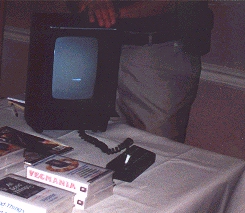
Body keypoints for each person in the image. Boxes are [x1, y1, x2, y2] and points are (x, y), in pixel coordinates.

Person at [69, 1, 214, 143]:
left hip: (157, 53)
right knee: (94, 141)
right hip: (101, 46)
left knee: (155, 145)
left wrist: (111, 12)